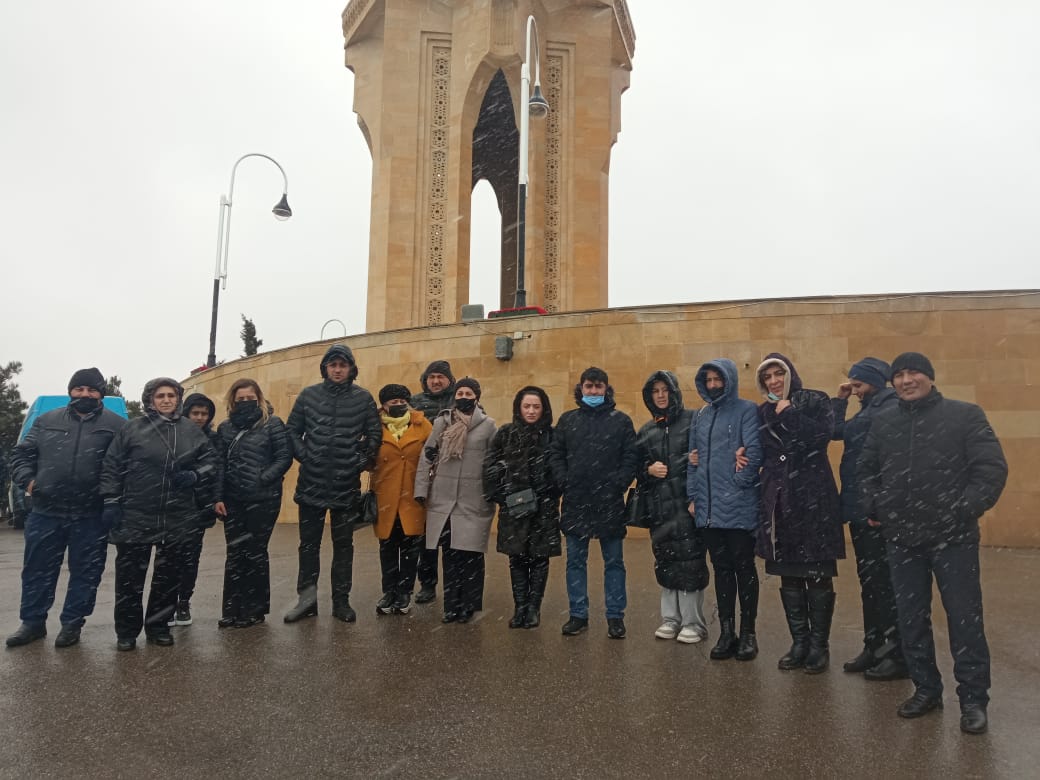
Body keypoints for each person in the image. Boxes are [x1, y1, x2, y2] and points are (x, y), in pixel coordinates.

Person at [859, 352, 1007, 735]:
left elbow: (991, 469)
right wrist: (876, 505)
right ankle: (926, 689)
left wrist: (962, 509)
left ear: (929, 377)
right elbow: (866, 470)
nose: (906, 380)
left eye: (914, 373)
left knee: (964, 619)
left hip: (953, 538)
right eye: (899, 375)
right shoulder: (883, 421)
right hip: (902, 539)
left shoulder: (964, 415)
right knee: (911, 619)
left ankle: (973, 700)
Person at [6, 368, 126, 648]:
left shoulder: (117, 425)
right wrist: (30, 482)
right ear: (70, 391)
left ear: (101, 394)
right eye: (79, 389)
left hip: (91, 514)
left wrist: (113, 499)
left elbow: (124, 466)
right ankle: (32, 623)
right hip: (46, 511)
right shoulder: (47, 420)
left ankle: (72, 623)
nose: (85, 394)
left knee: (86, 573)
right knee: (37, 570)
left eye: (92, 390)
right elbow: (21, 455)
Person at [100, 378, 216, 650]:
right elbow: (112, 465)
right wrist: (111, 500)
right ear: (150, 399)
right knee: (129, 580)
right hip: (136, 513)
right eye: (160, 395)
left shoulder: (190, 430)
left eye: (171, 395)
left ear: (178, 399)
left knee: (168, 579)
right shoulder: (132, 428)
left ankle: (158, 626)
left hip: (177, 515)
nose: (166, 400)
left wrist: (195, 475)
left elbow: (211, 461)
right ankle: (126, 632)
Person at [755, 353, 844, 673]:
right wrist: (742, 453)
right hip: (780, 501)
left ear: (790, 373)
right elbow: (763, 451)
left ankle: (820, 646)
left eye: (779, 373)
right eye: (767, 377)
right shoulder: (762, 411)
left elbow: (822, 437)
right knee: (789, 574)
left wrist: (791, 414)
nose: (774, 381)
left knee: (817, 573)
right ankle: (800, 642)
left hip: (813, 499)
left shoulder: (814, 400)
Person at [284, 344, 382, 624]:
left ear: (351, 368)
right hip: (311, 485)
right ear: (325, 368)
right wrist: (306, 456)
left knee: (343, 547)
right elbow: (292, 431)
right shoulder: (308, 396)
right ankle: (306, 602)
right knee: (308, 547)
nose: (338, 370)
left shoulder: (363, 398)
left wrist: (357, 461)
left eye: (343, 365)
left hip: (345, 486)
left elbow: (374, 435)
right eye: (333, 365)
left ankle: (341, 602)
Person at [830, 357, 907, 681]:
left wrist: (880, 507)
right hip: (861, 511)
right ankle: (874, 646)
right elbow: (835, 431)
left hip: (878, 515)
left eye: (858, 384)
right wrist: (840, 400)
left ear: (875, 381)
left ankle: (897, 654)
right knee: (870, 584)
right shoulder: (868, 409)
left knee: (886, 587)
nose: (855, 389)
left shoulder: (889, 408)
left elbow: (891, 465)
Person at [549, 367, 639, 639]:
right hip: (576, 501)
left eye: (599, 386)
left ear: (606, 389)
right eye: (589, 386)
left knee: (614, 562)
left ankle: (615, 616)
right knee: (576, 561)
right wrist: (564, 481)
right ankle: (578, 614)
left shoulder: (621, 421)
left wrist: (618, 483)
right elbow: (556, 454)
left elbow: (630, 457)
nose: (593, 391)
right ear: (581, 388)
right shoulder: (568, 420)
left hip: (609, 502)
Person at [686, 359, 763, 661]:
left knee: (744, 569)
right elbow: (692, 459)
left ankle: (748, 633)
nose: (713, 385)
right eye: (708, 380)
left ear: (728, 379)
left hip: (739, 506)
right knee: (722, 570)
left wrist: (738, 482)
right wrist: (693, 496)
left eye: (717, 379)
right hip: (708, 510)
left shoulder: (747, 410)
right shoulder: (701, 415)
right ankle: (727, 632)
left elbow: (754, 451)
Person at [634, 371, 710, 645]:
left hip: (688, 506)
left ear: (674, 392)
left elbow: (708, 455)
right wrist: (648, 469)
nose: (661, 395)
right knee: (665, 562)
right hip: (660, 509)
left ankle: (693, 623)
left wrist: (695, 460)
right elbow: (635, 467)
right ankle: (670, 619)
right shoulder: (646, 431)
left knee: (691, 562)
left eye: (665, 390)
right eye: (655, 391)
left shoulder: (693, 420)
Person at [414, 378, 496, 624]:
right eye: (460, 392)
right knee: (449, 555)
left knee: (471, 555)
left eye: (468, 393)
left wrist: (492, 492)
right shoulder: (442, 422)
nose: (463, 397)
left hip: (473, 500)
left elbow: (494, 462)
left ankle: (469, 605)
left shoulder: (489, 426)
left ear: (476, 397)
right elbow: (427, 456)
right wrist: (421, 489)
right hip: (444, 499)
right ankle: (451, 605)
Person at [215, 379, 292, 628]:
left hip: (263, 499)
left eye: (250, 398)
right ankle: (231, 608)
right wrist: (218, 497)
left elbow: (284, 457)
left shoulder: (273, 424)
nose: (246, 402)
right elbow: (219, 464)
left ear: (258, 398)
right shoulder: (225, 428)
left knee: (256, 553)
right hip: (233, 500)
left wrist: (263, 478)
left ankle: (254, 609)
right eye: (241, 399)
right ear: (233, 400)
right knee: (235, 554)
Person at [483, 386, 561, 629]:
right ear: (519, 407)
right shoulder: (506, 433)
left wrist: (549, 492)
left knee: (539, 559)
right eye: (526, 406)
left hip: (544, 507)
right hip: (514, 506)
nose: (531, 411)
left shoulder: (553, 436)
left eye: (536, 406)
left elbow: (561, 470)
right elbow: (490, 468)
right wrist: (503, 496)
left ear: (544, 409)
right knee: (517, 558)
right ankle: (520, 607)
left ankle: (534, 608)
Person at [371, 383, 432, 616]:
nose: (398, 404)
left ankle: (405, 592)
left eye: (402, 401)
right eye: (393, 402)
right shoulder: (374, 426)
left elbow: (434, 455)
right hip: (385, 498)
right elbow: (366, 458)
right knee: (387, 549)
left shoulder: (422, 424)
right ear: (384, 405)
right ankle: (389, 592)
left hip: (412, 498)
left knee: (410, 550)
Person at [170, 392, 222, 627]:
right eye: (195, 413)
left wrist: (213, 496)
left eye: (204, 413)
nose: (200, 417)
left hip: (199, 506)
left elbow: (217, 469)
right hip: (172, 506)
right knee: (169, 559)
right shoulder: (173, 434)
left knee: (190, 559)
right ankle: (166, 604)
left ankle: (183, 602)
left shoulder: (214, 438)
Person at [409, 359, 456, 605]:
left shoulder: (459, 401)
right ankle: (427, 584)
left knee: (451, 538)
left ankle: (453, 587)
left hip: (451, 478)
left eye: (440, 377)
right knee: (426, 538)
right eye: (431, 377)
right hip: (423, 477)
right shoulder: (414, 404)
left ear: (449, 380)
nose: (436, 381)